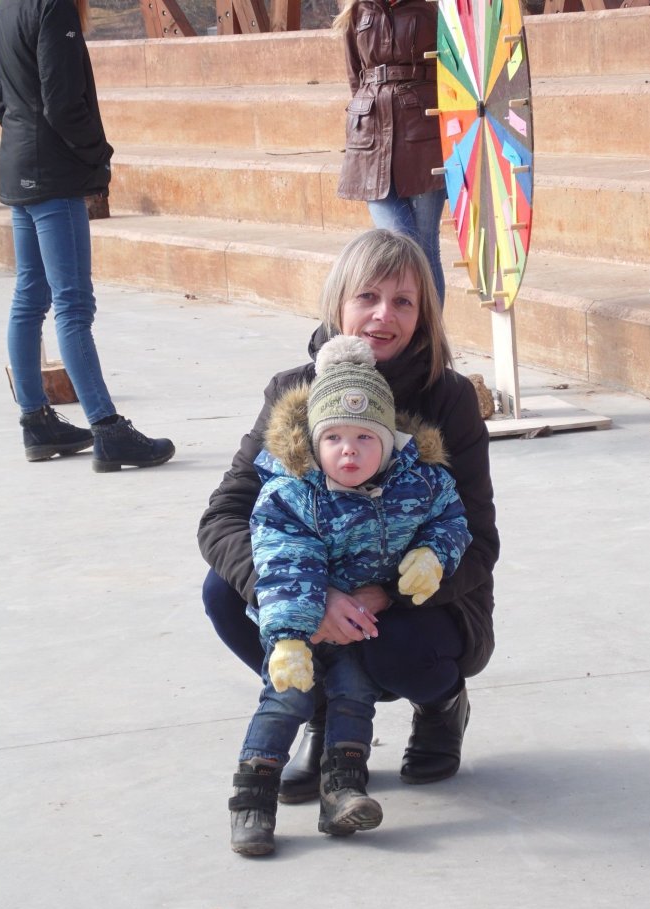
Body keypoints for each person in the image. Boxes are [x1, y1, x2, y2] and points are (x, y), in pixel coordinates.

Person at [199, 228, 500, 806]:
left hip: (417, 601)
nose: (384, 315)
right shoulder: (292, 390)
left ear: (423, 314)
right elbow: (224, 516)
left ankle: (441, 704)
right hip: (314, 586)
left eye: (403, 301)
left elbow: (480, 540)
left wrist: (385, 594)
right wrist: (305, 597)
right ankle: (319, 712)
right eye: (367, 296)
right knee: (223, 591)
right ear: (338, 302)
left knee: (397, 647)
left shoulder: (449, 398)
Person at [230, 334, 472, 856]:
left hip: (362, 625)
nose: (349, 450)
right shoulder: (293, 494)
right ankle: (253, 801)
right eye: (334, 437)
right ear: (314, 442)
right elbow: (283, 563)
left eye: (365, 437)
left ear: (389, 441)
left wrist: (432, 556)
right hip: (301, 626)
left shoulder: (418, 482)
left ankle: (342, 791)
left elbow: (451, 519)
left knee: (354, 698)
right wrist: (291, 635)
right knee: (286, 699)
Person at [0, 0, 175, 471]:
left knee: (29, 297)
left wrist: (26, 139)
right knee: (73, 305)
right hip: (53, 175)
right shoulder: (53, 6)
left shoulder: (7, 6)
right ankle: (108, 429)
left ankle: (36, 422)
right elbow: (62, 102)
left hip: (18, 164)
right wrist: (98, 154)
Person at [333, 0, 447, 306]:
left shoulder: (432, 7)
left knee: (425, 246)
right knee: (397, 238)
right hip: (370, 137)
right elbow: (355, 75)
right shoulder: (357, 10)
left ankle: (428, 333)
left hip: (423, 133)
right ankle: (406, 326)